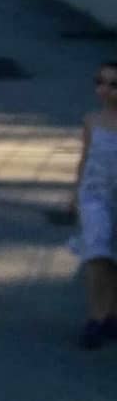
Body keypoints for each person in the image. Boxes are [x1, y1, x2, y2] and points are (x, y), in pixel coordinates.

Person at [69, 60, 117, 349]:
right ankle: (95, 318)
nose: (106, 90)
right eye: (101, 82)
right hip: (94, 196)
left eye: (114, 84)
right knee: (97, 255)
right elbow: (85, 159)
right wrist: (75, 194)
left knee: (113, 257)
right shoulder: (91, 121)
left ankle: (112, 315)